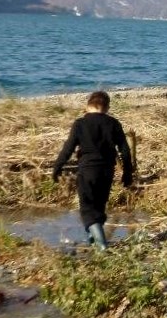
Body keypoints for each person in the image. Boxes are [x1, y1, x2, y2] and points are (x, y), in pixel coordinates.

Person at [52, 90, 134, 249]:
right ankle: (93, 241)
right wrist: (127, 172)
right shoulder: (114, 123)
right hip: (107, 171)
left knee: (88, 210)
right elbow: (125, 150)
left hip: (87, 171)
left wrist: (57, 167)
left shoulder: (80, 124)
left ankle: (102, 245)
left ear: (87, 105)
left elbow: (68, 148)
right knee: (99, 206)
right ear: (107, 107)